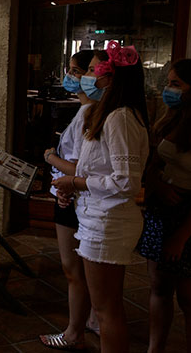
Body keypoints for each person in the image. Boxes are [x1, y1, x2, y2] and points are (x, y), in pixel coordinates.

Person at [51, 42, 149, 352]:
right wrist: (73, 186)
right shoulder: (107, 114)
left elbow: (126, 182)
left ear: (111, 76)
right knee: (106, 309)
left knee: (107, 312)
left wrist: (76, 181)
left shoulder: (120, 117)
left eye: (93, 70)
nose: (89, 77)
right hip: (98, 217)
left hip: (109, 221)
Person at [39, 49, 99, 350]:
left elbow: (81, 169)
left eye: (77, 71)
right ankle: (87, 320)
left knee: (72, 268)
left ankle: (75, 331)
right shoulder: (86, 110)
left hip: (73, 199)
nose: (71, 77)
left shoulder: (93, 113)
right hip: (71, 194)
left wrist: (50, 156)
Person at [137, 58, 191, 353]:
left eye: (176, 84)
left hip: (186, 214)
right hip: (162, 209)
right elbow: (153, 164)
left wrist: (182, 235)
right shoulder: (170, 118)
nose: (168, 90)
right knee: (158, 285)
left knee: (186, 295)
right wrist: (157, 185)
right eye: (168, 83)